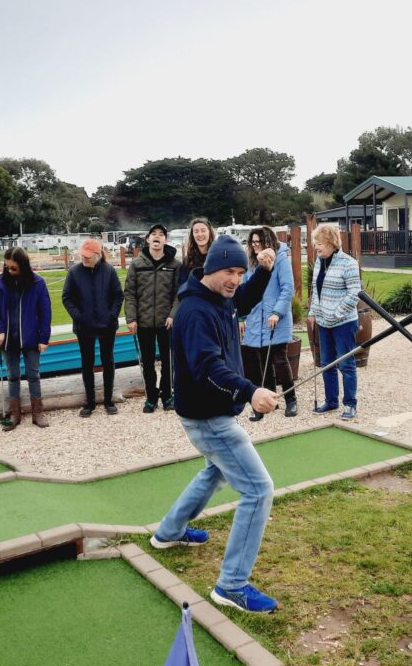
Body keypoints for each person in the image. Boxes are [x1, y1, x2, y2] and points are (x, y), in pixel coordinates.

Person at [149, 234, 281, 613]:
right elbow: (208, 367)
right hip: (209, 417)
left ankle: (169, 532)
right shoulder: (194, 313)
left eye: (240, 271)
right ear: (210, 269)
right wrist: (249, 390)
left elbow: (243, 299)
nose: (235, 279)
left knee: (215, 471)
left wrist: (263, 272)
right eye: (229, 270)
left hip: (210, 413)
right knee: (258, 490)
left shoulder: (220, 299)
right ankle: (232, 585)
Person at [0, 247, 52, 429]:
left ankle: (37, 413)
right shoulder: (0, 283)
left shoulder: (38, 283)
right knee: (13, 376)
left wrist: (44, 338)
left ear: (23, 265)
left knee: (33, 375)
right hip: (8, 339)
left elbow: (45, 313)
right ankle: (15, 413)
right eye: (7, 267)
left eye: (13, 268)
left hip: (31, 338)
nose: (9, 271)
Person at [124, 224, 182, 413]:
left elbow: (178, 294)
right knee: (147, 362)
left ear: (165, 240)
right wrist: (131, 318)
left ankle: (167, 396)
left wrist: (173, 315)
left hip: (167, 323)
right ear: (148, 239)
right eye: (153, 234)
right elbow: (130, 293)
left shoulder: (175, 265)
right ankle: (151, 397)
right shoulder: (136, 264)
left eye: (161, 234)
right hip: (144, 322)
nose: (157, 237)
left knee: (168, 361)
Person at [63, 238, 124, 416]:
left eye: (88, 256)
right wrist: (78, 317)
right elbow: (67, 298)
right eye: (83, 255)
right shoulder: (74, 272)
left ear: (98, 255)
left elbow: (118, 296)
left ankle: (108, 400)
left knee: (108, 361)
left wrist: (112, 315)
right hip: (84, 326)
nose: (85, 258)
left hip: (107, 325)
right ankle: (89, 402)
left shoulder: (109, 271)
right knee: (87, 363)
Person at [242, 227, 298, 421]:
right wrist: (242, 317)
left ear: (268, 242)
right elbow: (245, 290)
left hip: (276, 319)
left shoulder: (281, 259)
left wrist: (277, 312)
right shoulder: (251, 261)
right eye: (253, 242)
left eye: (259, 242)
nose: (255, 245)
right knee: (260, 361)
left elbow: (287, 288)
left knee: (280, 360)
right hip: (257, 318)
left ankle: (291, 399)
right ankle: (266, 402)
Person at [308, 224, 362, 420]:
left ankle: (350, 405)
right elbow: (316, 290)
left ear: (331, 243)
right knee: (326, 363)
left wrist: (336, 312)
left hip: (344, 322)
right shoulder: (318, 262)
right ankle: (331, 402)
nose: (316, 247)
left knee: (346, 364)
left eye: (319, 243)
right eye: (315, 243)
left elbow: (355, 293)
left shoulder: (348, 263)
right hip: (323, 322)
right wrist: (313, 313)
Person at [178, 217, 215, 290]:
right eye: (196, 231)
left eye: (203, 230)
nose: (200, 234)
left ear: (209, 232)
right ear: (192, 235)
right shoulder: (187, 261)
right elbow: (183, 286)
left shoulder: (218, 257)